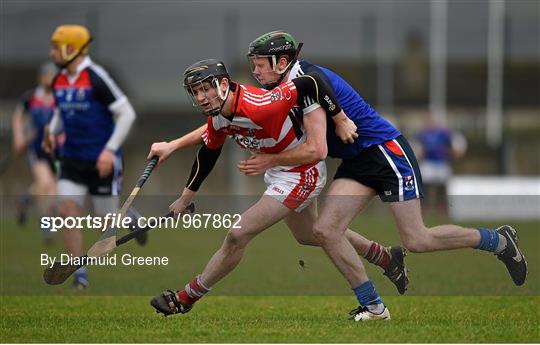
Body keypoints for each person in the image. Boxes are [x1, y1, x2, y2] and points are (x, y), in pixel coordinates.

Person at [238, 31, 528, 321]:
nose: (255, 70)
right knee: (325, 230)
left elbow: (319, 93)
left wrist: (330, 123)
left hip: (386, 153)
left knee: (417, 239)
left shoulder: (307, 78)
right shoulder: (284, 89)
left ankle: (499, 241)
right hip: (356, 162)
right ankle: (374, 306)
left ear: (282, 62)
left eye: (261, 63)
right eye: (253, 64)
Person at [149, 59, 403, 317]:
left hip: (302, 172)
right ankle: (384, 257)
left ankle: (186, 297)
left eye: (206, 88)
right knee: (311, 234)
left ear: (223, 84)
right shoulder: (218, 116)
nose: (201, 97)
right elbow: (208, 153)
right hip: (279, 173)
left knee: (238, 233)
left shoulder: (260, 104)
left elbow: (311, 82)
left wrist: (339, 118)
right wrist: (185, 197)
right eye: (195, 92)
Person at [43, 24, 136, 289]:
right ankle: (79, 271)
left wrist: (109, 150)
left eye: (55, 47)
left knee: (105, 236)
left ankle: (126, 215)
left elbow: (126, 113)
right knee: (66, 210)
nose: (52, 53)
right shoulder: (59, 79)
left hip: (101, 161)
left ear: (71, 49)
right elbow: (62, 112)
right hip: (72, 158)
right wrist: (50, 132)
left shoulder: (96, 77)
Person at [11, 61, 59, 242]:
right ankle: (47, 228)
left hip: (55, 151)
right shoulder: (30, 97)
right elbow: (18, 116)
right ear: (41, 78)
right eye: (47, 76)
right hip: (36, 150)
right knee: (45, 184)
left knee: (52, 191)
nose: (49, 80)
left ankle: (26, 199)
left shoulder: (60, 97)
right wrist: (18, 137)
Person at [414, 111, 467, 214]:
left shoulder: (444, 133)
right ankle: (424, 206)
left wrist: (452, 153)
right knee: (424, 185)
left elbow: (454, 147)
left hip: (442, 162)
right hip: (428, 163)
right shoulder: (422, 134)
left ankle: (441, 207)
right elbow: (418, 149)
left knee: (442, 187)